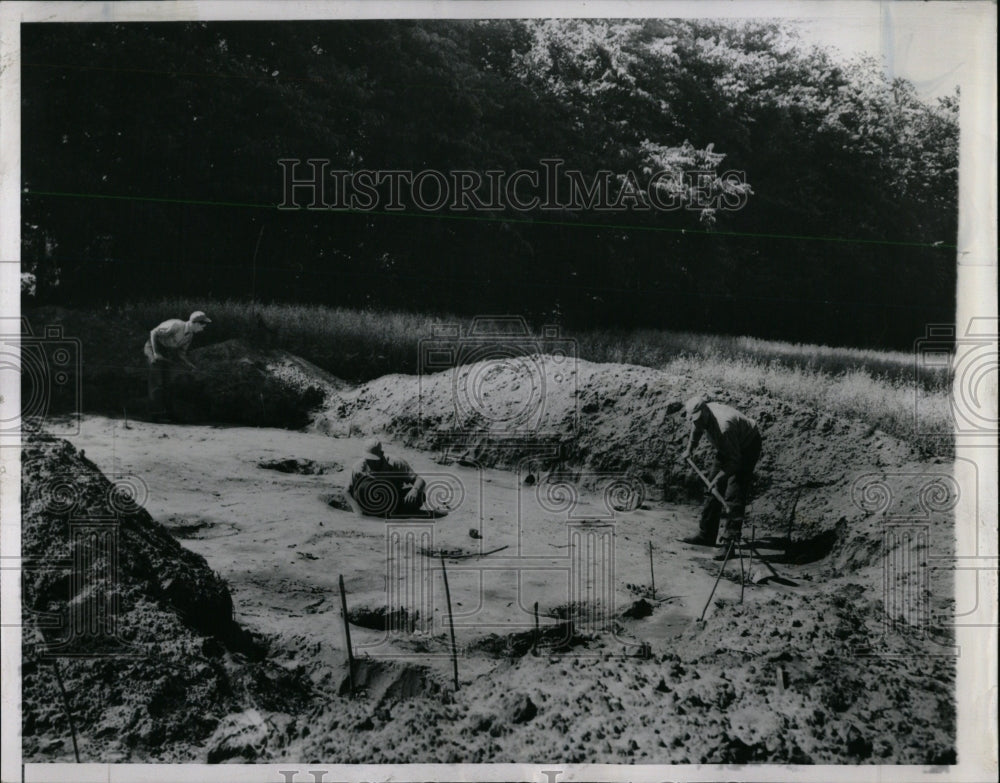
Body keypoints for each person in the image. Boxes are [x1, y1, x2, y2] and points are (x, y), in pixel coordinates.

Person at [678, 395, 762, 547]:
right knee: (712, 489)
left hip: (747, 446)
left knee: (734, 493)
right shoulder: (701, 418)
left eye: (698, 419)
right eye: (693, 420)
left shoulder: (724, 426)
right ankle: (706, 535)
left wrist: (718, 479)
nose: (696, 422)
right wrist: (689, 449)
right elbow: (696, 429)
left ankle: (729, 543)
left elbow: (735, 462)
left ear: (705, 412)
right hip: (728, 447)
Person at [143, 310, 211, 420]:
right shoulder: (176, 325)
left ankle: (166, 413)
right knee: (156, 379)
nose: (203, 329)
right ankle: (155, 414)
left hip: (165, 351)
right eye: (202, 326)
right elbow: (153, 333)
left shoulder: (189, 336)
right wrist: (156, 353)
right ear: (196, 324)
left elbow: (181, 354)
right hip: (153, 346)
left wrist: (190, 365)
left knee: (168, 380)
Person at [348, 439, 429, 517]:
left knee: (420, 496)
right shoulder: (359, 467)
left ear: (382, 454)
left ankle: (390, 512)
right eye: (368, 459)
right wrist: (357, 510)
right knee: (363, 487)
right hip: (369, 499)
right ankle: (379, 512)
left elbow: (419, 480)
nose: (371, 463)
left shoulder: (396, 463)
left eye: (374, 459)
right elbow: (347, 491)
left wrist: (415, 490)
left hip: (393, 498)